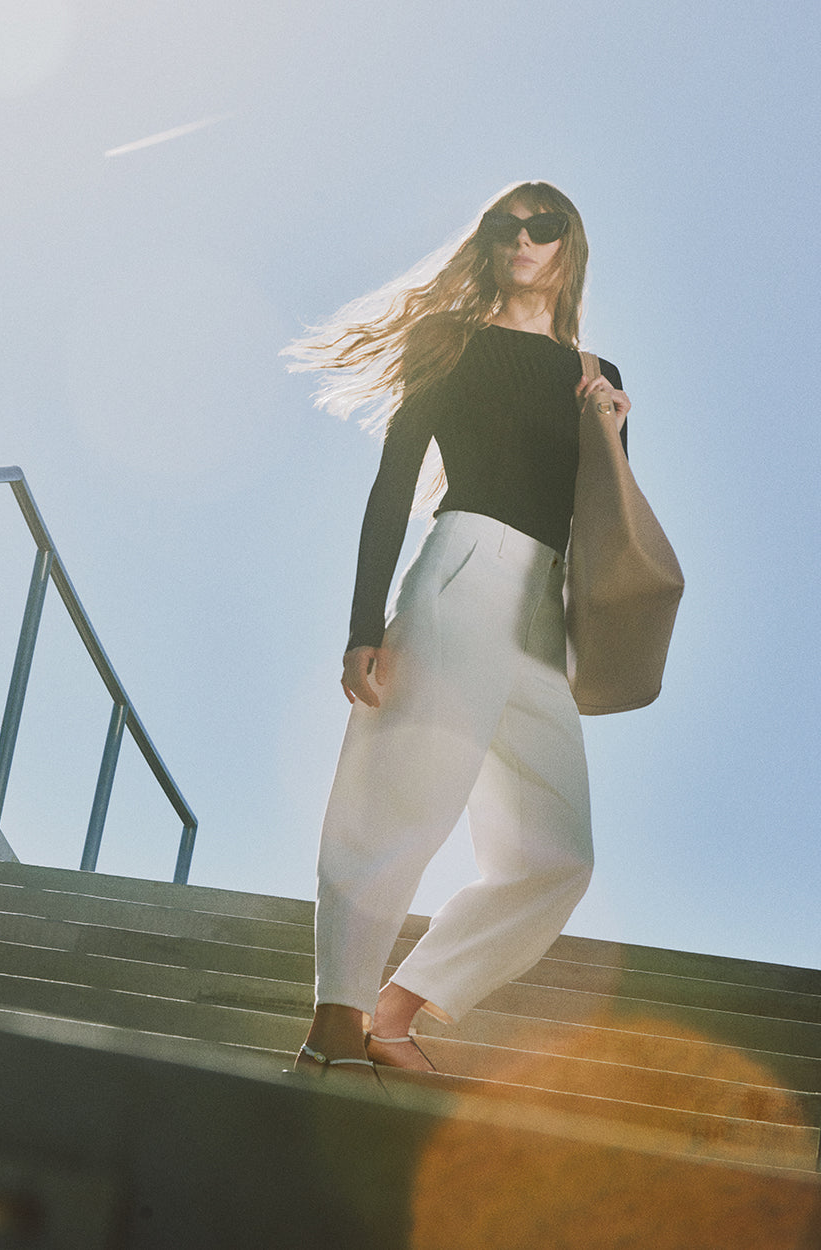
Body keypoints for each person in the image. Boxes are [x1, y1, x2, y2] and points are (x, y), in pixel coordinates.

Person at [284, 181, 630, 1081]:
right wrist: (365, 622)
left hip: (543, 615)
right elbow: (393, 484)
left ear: (568, 245)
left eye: (542, 225)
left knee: (556, 854)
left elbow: (606, 521)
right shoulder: (451, 343)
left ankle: (394, 1014)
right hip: (464, 571)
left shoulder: (600, 375)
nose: (523, 239)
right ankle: (336, 1022)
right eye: (505, 226)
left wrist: (611, 433)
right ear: (489, 242)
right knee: (392, 798)